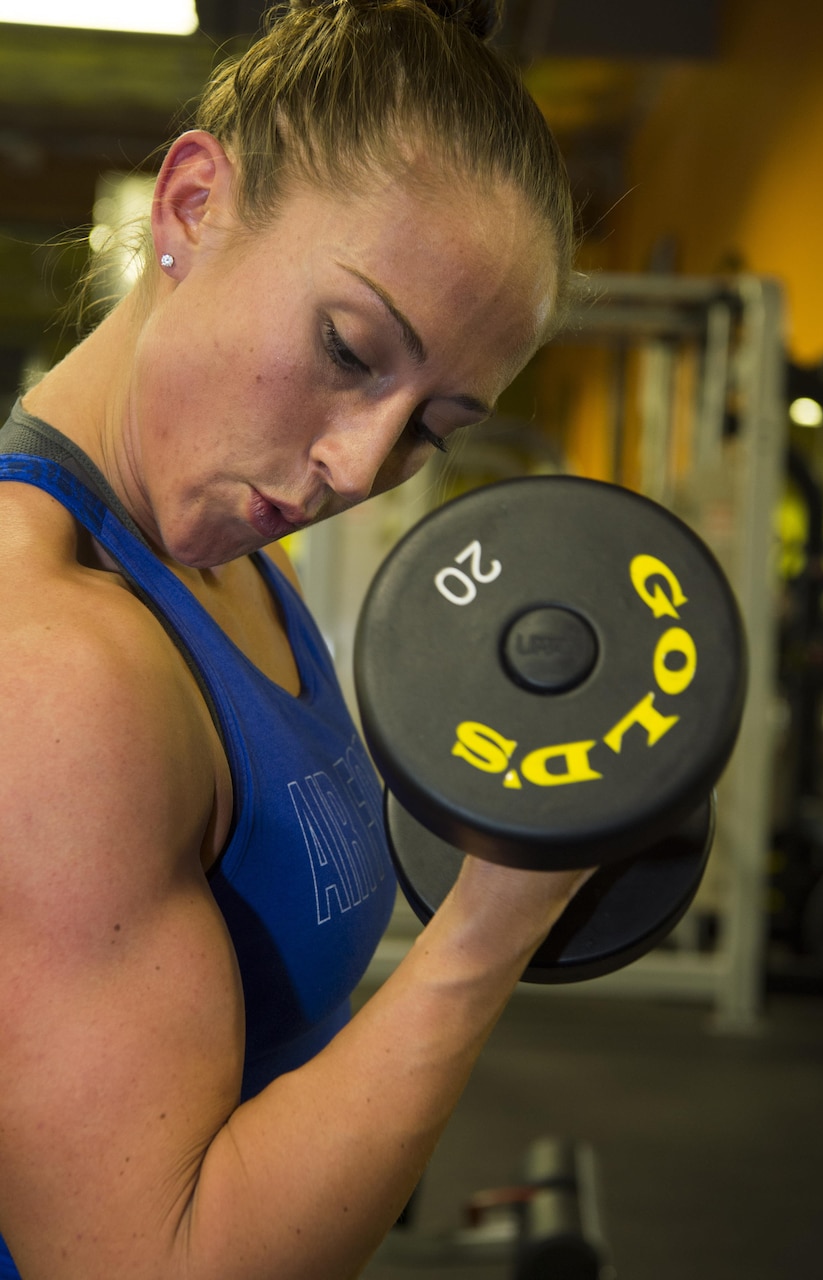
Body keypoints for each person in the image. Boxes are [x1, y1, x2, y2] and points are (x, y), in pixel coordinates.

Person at [0, 2, 593, 1276]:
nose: (357, 464)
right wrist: (498, 917)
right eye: (347, 347)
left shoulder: (227, 560)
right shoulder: (46, 662)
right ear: (192, 205)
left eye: (436, 425)